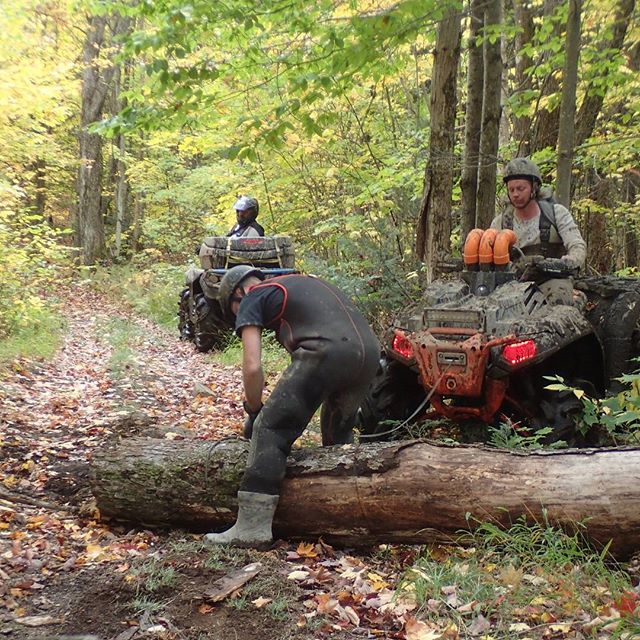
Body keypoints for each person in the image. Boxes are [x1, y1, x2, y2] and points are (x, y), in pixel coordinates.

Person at [204, 265, 380, 548]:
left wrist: (254, 410)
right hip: (368, 354)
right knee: (338, 441)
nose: (240, 318)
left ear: (238, 293)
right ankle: (348, 525)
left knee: (271, 428)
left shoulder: (253, 295)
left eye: (235, 313)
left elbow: (252, 366)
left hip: (326, 350)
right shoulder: (303, 281)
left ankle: (251, 528)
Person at [490, 157, 587, 304]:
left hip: (551, 280)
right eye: (511, 190)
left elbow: (577, 245)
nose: (516, 194)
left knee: (559, 300)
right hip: (511, 285)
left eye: (521, 188)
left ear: (534, 188)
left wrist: (566, 263)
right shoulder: (501, 222)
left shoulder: (555, 214)